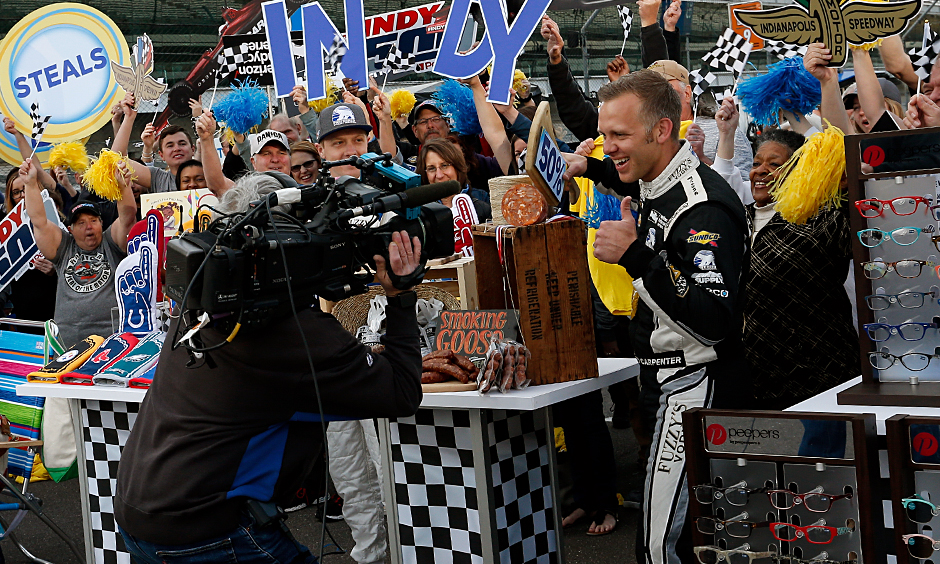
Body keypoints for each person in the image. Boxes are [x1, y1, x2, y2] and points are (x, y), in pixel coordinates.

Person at [114, 172, 424, 563]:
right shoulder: (293, 332)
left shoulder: (204, 299)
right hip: (205, 530)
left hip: (140, 512)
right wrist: (400, 296)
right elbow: (401, 390)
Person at [563, 70, 750, 564]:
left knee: (660, 545)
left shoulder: (703, 207)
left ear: (662, 130)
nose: (609, 147)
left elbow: (716, 321)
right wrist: (589, 167)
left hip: (694, 383)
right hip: (663, 381)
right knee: (685, 536)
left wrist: (636, 258)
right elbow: (637, 179)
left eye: (618, 136)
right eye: (604, 136)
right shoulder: (656, 177)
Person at [711, 96, 859, 410]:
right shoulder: (740, 220)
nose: (760, 172)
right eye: (756, 163)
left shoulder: (821, 221)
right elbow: (720, 182)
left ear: (798, 171)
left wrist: (825, 86)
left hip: (819, 379)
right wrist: (725, 133)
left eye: (774, 165)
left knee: (825, 459)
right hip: (753, 379)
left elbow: (845, 158)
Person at [20, 157, 136, 349]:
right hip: (67, 343)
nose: (88, 227)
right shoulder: (64, 246)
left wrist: (123, 186)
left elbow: (127, 216)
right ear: (71, 229)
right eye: (81, 223)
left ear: (101, 223)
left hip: (112, 340)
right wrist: (30, 183)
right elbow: (38, 220)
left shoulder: (111, 242)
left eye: (93, 220)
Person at [416, 138, 491, 221]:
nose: (439, 175)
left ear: (457, 167)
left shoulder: (482, 209)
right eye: (431, 168)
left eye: (444, 165)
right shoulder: (418, 214)